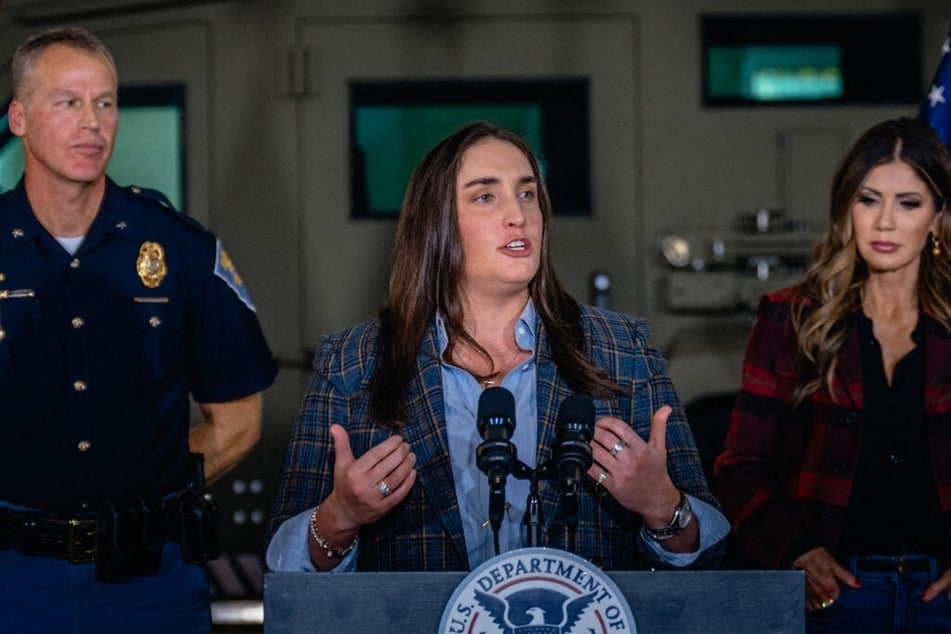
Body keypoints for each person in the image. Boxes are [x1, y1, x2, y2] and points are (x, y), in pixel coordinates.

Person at [267, 121, 728, 574]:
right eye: (486, 196)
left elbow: (710, 553)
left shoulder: (622, 350)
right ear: (436, 224)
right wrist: (338, 518)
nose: (519, 214)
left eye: (528, 193)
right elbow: (285, 569)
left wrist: (664, 507)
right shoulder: (352, 362)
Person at [0, 27, 277, 632]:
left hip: (149, 581)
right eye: (67, 102)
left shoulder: (178, 249)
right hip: (12, 580)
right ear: (19, 118)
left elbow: (238, 421)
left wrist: (145, 489)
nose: (92, 122)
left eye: (105, 102)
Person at [714, 118, 951, 631]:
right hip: (834, 595)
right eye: (869, 200)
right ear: (847, 209)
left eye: (908, 203)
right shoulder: (791, 317)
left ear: (937, 217)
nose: (885, 222)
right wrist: (794, 549)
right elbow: (739, 465)